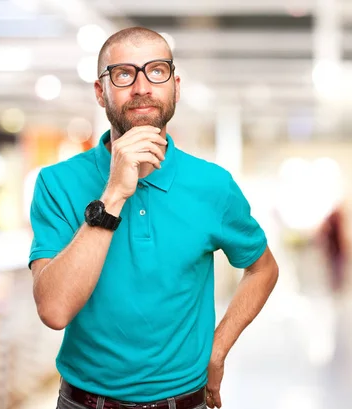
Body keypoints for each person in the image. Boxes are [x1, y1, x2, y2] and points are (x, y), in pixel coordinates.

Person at [28, 27, 279, 409]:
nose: (142, 86)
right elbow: (54, 310)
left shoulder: (213, 185)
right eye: (124, 74)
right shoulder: (57, 183)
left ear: (175, 86)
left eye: (157, 71)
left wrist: (218, 348)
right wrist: (113, 194)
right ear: (100, 91)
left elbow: (263, 269)